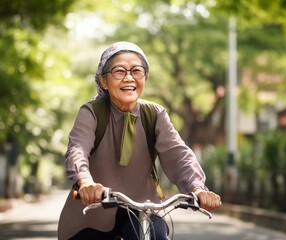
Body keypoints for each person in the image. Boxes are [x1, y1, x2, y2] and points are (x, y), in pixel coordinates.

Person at [58, 41, 221, 240]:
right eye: (119, 71)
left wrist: (197, 188)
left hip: (142, 210)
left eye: (136, 70)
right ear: (103, 81)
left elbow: (179, 155)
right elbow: (77, 149)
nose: (129, 77)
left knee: (155, 236)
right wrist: (86, 183)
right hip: (91, 212)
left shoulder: (155, 114)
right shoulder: (91, 112)